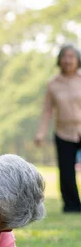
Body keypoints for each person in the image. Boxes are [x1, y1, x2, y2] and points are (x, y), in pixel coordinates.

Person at [35, 44, 81, 213]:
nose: (68, 60)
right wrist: (41, 133)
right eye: (65, 56)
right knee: (67, 172)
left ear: (78, 60)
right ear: (60, 60)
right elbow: (47, 111)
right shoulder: (53, 84)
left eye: (72, 56)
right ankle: (72, 206)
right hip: (63, 132)